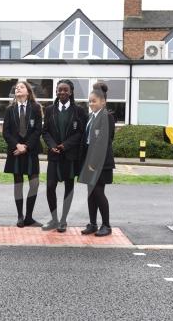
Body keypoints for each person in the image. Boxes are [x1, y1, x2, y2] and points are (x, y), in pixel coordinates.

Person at [42, 79, 88, 232]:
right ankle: (54, 219)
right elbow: (45, 131)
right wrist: (52, 145)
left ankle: (63, 220)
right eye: (59, 89)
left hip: (70, 156)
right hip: (54, 156)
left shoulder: (79, 111)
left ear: (71, 92)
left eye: (65, 90)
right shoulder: (49, 110)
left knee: (69, 188)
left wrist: (65, 145)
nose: (62, 92)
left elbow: (81, 132)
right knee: (50, 187)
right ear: (56, 91)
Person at [2, 81, 43, 228]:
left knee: (34, 183)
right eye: (17, 87)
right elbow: (5, 131)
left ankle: (29, 217)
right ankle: (20, 216)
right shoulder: (10, 109)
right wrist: (17, 145)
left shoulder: (36, 108)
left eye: (22, 87)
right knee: (18, 184)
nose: (18, 88)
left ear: (28, 91)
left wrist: (26, 146)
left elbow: (38, 130)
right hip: (15, 152)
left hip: (30, 151)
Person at [78, 82, 115, 237]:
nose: (91, 103)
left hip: (99, 164)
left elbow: (103, 142)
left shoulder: (107, 116)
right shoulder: (91, 117)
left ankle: (106, 225)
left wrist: (93, 162)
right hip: (89, 162)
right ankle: (93, 224)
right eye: (90, 101)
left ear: (103, 102)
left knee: (99, 193)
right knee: (90, 193)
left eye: (94, 101)